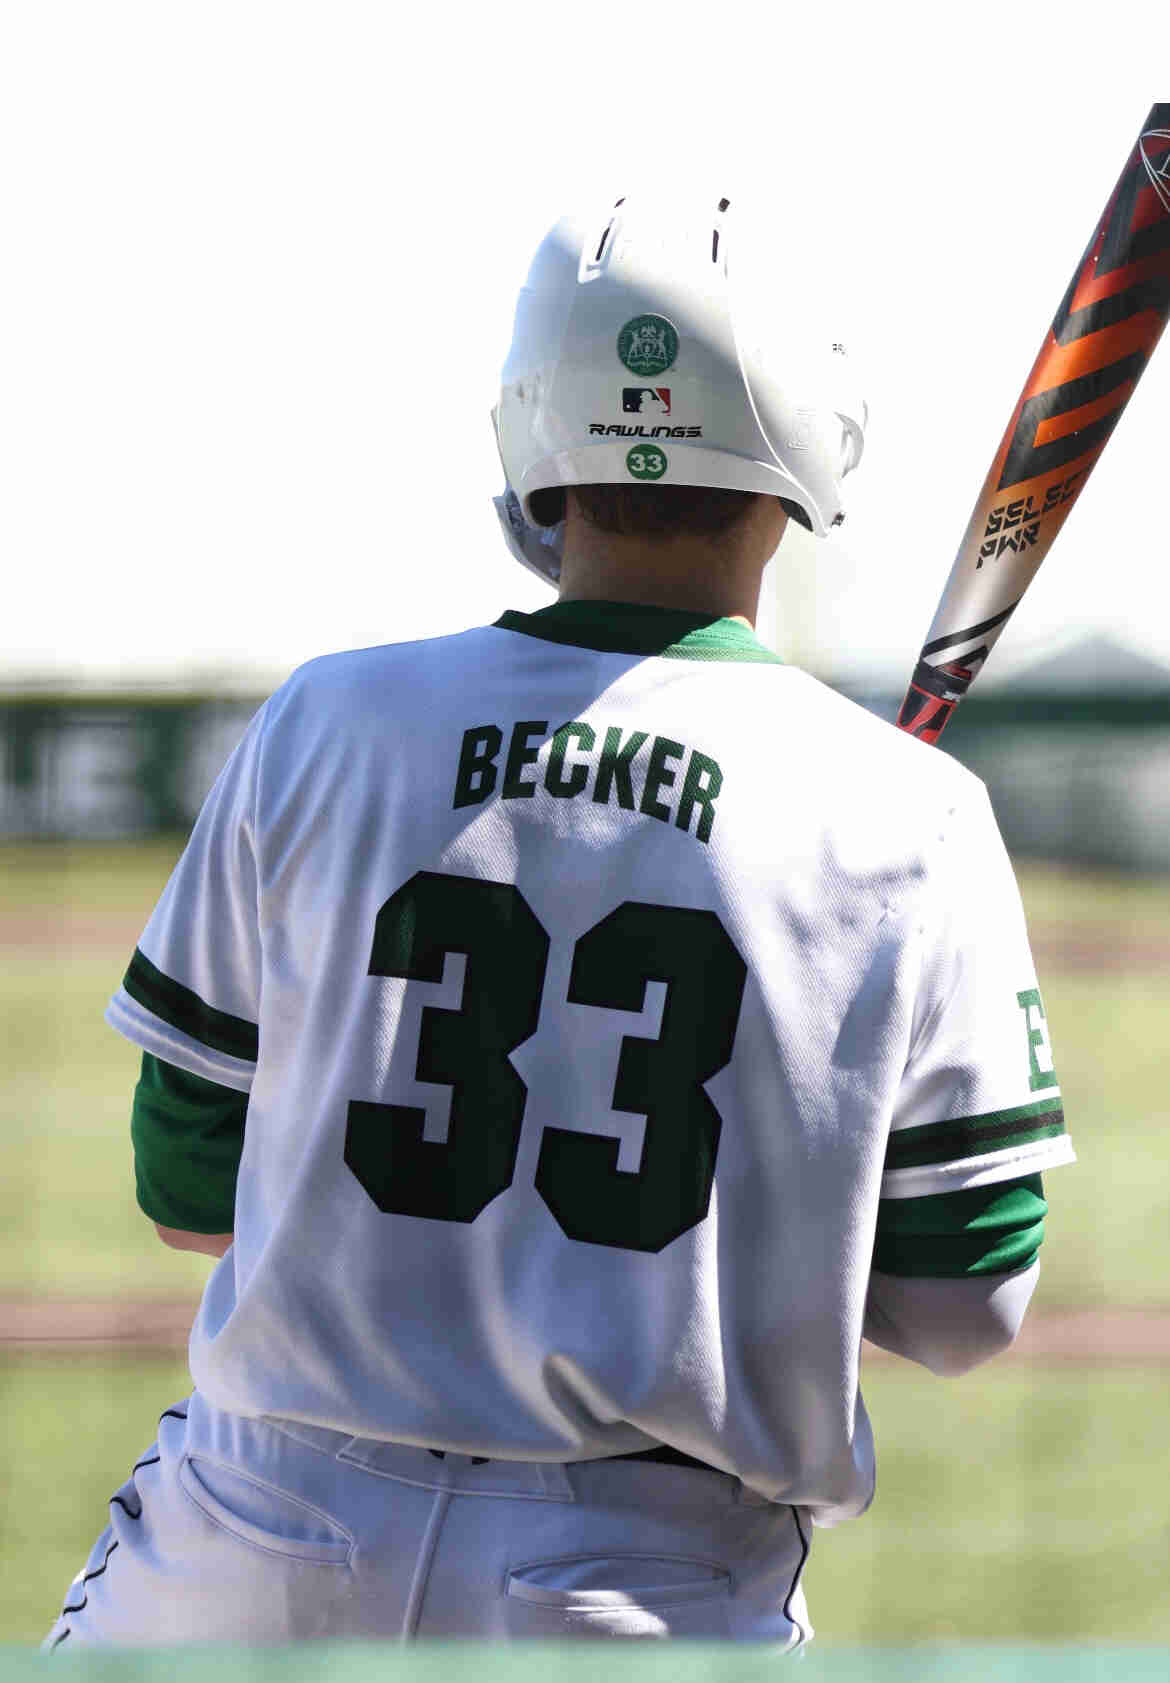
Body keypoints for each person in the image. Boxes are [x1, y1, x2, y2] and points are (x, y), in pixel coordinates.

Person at [45, 194, 1074, 1651]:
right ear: (808, 443)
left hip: (251, 1544)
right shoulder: (910, 815)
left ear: (532, 436)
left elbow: (185, 1188)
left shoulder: (326, 721)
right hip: (641, 1586)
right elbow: (968, 1303)